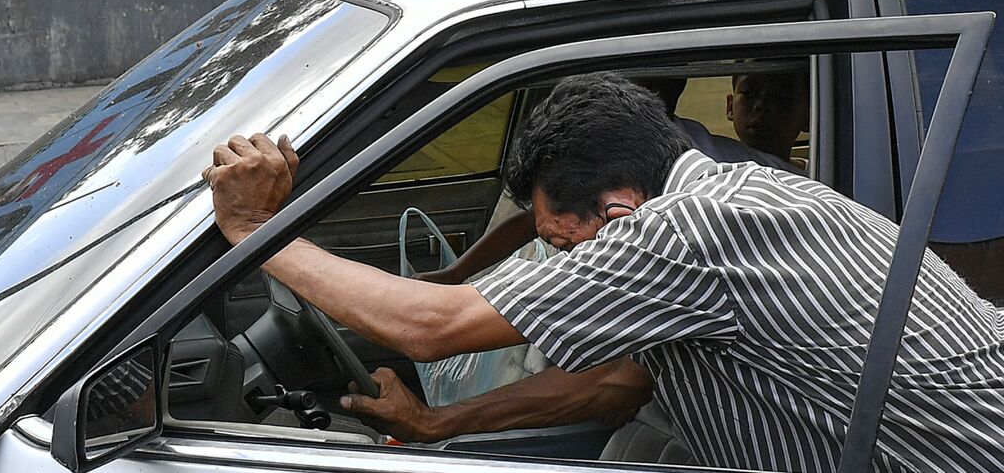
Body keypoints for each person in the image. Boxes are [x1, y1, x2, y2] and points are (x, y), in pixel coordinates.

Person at [204, 73, 1004, 471]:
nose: (561, 262)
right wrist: (443, 424)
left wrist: (256, 231)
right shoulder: (699, 215)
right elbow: (619, 385)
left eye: (563, 242)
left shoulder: (690, 229)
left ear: (622, 208)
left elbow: (430, 326)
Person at [415, 74, 798, 287]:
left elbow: (613, 388)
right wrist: (456, 275)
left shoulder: (679, 221)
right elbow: (535, 223)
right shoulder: (656, 152)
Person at [728, 70, 808, 164]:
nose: (762, 104)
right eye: (750, 93)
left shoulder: (821, 175)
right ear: (730, 107)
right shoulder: (713, 172)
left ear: (808, 115)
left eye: (782, 97)